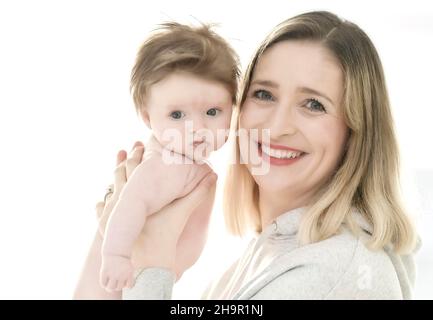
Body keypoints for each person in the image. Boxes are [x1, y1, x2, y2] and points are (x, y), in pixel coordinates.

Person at [74, 11, 419, 300]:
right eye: (264, 94)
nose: (278, 125)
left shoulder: (334, 273)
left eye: (314, 104)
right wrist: (117, 228)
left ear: (356, 132)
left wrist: (150, 265)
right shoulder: (267, 255)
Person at [98, 22, 240, 292]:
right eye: (177, 115)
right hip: (143, 272)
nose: (197, 128)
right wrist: (116, 256)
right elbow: (130, 204)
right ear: (147, 117)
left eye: (212, 112)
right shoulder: (162, 165)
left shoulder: (180, 157)